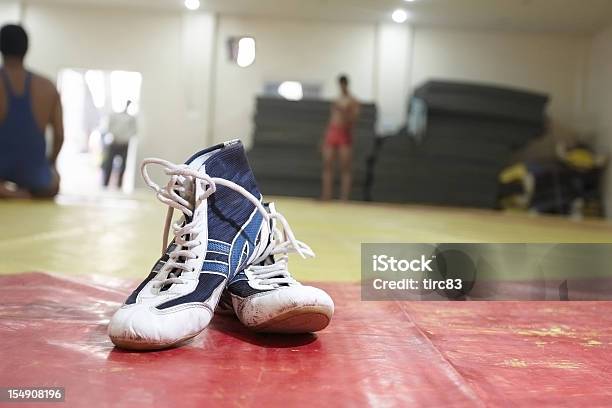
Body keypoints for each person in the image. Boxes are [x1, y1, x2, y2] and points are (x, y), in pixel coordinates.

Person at [0, 24, 63, 198]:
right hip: (36, 175)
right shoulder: (47, 87)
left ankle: (9, 192)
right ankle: (28, 191)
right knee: (52, 182)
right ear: (26, 49)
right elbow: (59, 135)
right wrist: (51, 164)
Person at [321, 74, 360, 201]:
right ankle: (327, 195)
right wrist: (325, 137)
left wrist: (344, 111)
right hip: (333, 132)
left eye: (343, 84)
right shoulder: (336, 100)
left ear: (346, 84)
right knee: (327, 165)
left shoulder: (353, 101)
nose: (342, 86)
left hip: (344, 133)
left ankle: (344, 197)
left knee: (345, 167)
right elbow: (331, 119)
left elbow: (354, 120)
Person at [101, 100, 137, 188]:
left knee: (122, 166)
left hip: (124, 144)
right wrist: (115, 136)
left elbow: (134, 131)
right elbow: (109, 127)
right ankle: (105, 184)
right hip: (114, 142)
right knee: (108, 164)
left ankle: (119, 185)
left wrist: (125, 138)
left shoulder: (131, 118)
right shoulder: (113, 116)